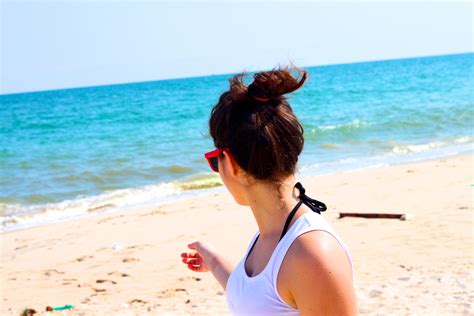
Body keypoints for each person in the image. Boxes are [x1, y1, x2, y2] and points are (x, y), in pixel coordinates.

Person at [181, 66, 357, 315]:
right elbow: (256, 298)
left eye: (214, 160)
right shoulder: (272, 235)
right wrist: (213, 260)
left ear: (230, 163)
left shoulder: (312, 254)